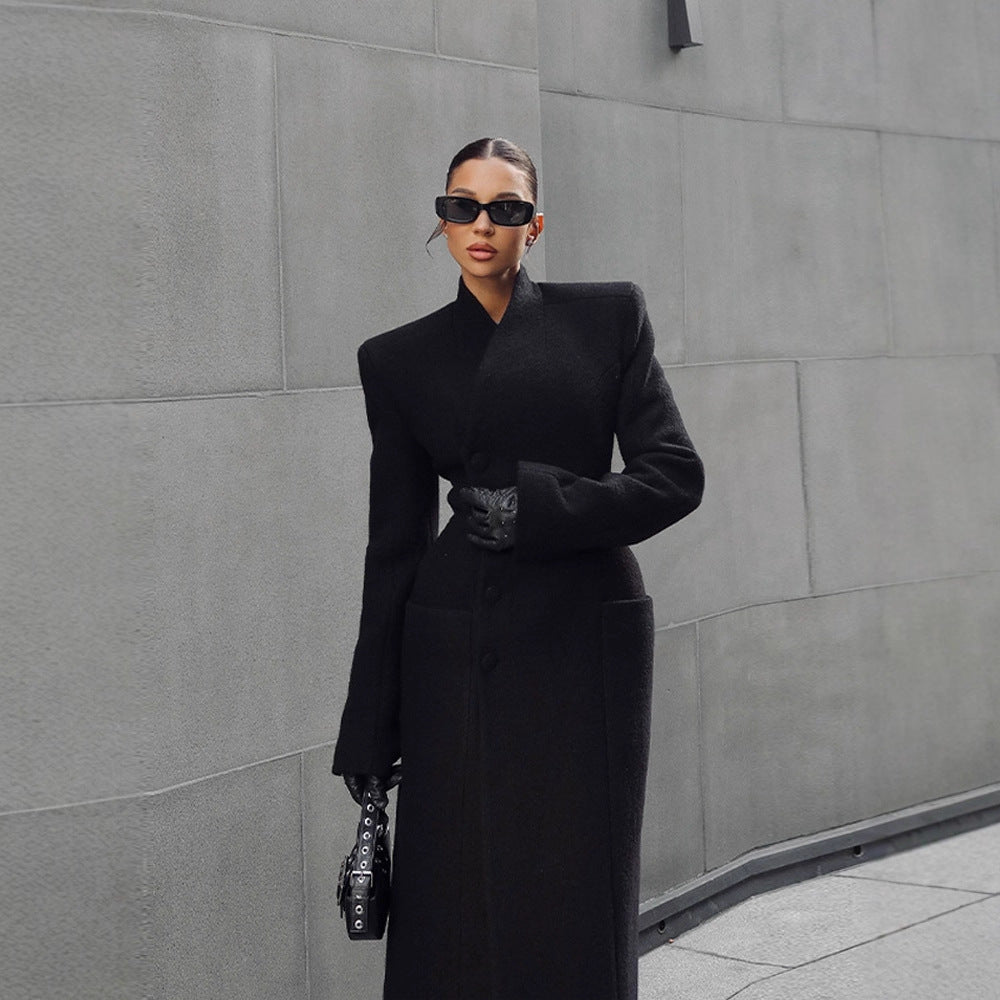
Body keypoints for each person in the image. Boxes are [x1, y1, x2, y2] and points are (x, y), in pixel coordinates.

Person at [332, 137, 704, 1000]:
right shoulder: (396, 359)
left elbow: (673, 474)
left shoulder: (606, 317)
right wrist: (370, 724)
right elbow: (393, 547)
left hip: (584, 640)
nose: (481, 225)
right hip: (455, 643)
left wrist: (541, 509)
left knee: (575, 889)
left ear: (534, 226)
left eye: (505, 209)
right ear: (442, 220)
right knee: (455, 900)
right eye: (461, 206)